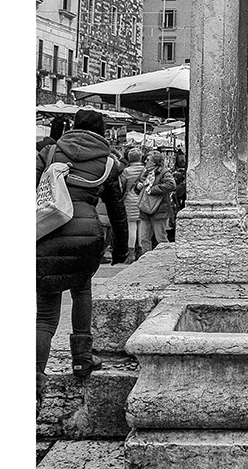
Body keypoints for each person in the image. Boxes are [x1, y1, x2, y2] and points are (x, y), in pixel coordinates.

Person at [36, 108, 127, 412]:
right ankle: (82, 360)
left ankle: (35, 376)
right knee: (81, 292)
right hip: (88, 234)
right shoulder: (108, 163)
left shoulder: (50, 152)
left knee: (46, 315)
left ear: (73, 126)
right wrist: (122, 248)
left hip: (48, 230)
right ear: (102, 131)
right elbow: (116, 209)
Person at [136, 151, 176, 253]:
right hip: (145, 209)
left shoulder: (164, 172)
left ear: (155, 162)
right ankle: (145, 261)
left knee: (161, 238)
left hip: (159, 209)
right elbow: (138, 187)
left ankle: (166, 259)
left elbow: (171, 185)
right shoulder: (145, 172)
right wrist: (137, 187)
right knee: (144, 238)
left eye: (148, 159)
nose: (145, 161)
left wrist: (153, 189)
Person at [119, 147, 145, 262]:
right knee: (141, 226)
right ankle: (141, 251)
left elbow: (122, 187)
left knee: (131, 227)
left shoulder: (126, 171)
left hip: (130, 200)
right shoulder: (146, 170)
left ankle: (131, 254)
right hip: (143, 200)